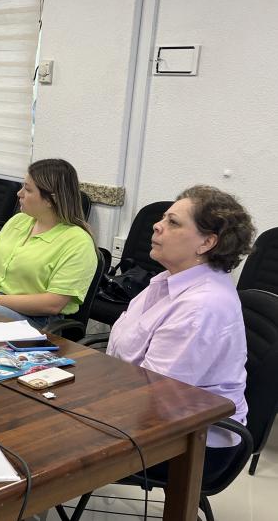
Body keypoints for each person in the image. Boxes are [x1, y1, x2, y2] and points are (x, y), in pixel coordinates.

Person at [107, 185, 254, 483]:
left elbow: (154, 396)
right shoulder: (167, 280)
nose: (157, 226)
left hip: (193, 443)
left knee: (38, 442)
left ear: (207, 242)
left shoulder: (202, 306)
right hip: (147, 412)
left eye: (173, 222)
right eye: (163, 218)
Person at [0, 159, 97, 328]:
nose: (19, 193)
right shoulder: (19, 220)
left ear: (50, 200)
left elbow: (53, 304)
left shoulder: (78, 242)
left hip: (34, 318)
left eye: (28, 189)